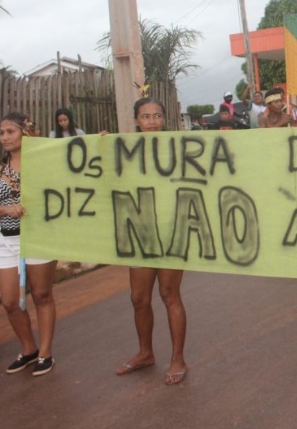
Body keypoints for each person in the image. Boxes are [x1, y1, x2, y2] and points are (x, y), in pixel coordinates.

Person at [116, 98, 188, 385]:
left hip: (171, 231)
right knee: (138, 298)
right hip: (140, 231)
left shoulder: (178, 147)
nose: (153, 121)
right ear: (136, 121)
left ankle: (178, 358)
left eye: (157, 115)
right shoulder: (123, 150)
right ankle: (145, 353)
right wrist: (101, 147)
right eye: (146, 117)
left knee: (170, 295)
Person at [0, 112, 57, 376]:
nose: (5, 138)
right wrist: (6, 210)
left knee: (41, 294)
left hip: (39, 236)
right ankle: (28, 349)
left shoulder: (42, 161)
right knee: (11, 301)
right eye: (2, 133)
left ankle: (46, 352)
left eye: (10, 132)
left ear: (24, 132)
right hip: (8, 240)